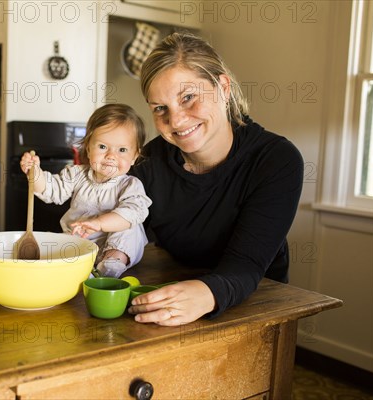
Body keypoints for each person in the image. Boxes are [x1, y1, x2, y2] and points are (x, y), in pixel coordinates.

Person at [128, 32, 304, 325]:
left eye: (188, 97)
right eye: (160, 108)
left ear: (223, 87)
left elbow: (246, 265)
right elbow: (123, 233)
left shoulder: (276, 160)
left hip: (256, 303)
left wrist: (206, 293)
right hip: (177, 296)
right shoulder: (147, 164)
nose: (176, 120)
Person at [20, 104, 152, 278]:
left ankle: (111, 265)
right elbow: (51, 190)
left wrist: (99, 223)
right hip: (80, 241)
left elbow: (133, 212)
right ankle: (79, 267)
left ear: (134, 156)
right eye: (103, 147)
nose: (111, 156)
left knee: (130, 227)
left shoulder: (130, 185)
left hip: (113, 246)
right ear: (88, 148)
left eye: (122, 150)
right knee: (58, 241)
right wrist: (34, 173)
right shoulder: (76, 174)